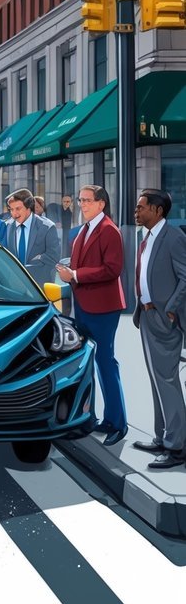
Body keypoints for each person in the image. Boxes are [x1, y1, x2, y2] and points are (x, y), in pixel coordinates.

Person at [57, 184, 127, 446]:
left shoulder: (109, 230)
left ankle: (118, 423)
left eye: (87, 200)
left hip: (104, 307)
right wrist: (69, 271)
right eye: (80, 200)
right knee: (89, 363)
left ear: (101, 204)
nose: (82, 204)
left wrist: (74, 275)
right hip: (83, 304)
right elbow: (79, 266)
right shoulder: (83, 231)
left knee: (106, 362)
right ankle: (101, 419)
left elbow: (112, 269)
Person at [130, 190, 186, 469]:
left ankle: (177, 448)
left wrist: (171, 310)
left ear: (158, 210)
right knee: (156, 380)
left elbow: (185, 277)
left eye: (141, 207)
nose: (136, 212)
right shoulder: (147, 237)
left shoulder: (174, 238)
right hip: (147, 315)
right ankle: (162, 437)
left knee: (167, 380)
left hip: (164, 318)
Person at [5, 189, 61, 284]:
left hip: (38, 288)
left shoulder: (47, 227)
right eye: (11, 209)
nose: (14, 214)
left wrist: (26, 270)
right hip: (12, 287)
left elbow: (53, 258)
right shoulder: (7, 226)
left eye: (18, 209)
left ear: (29, 207)